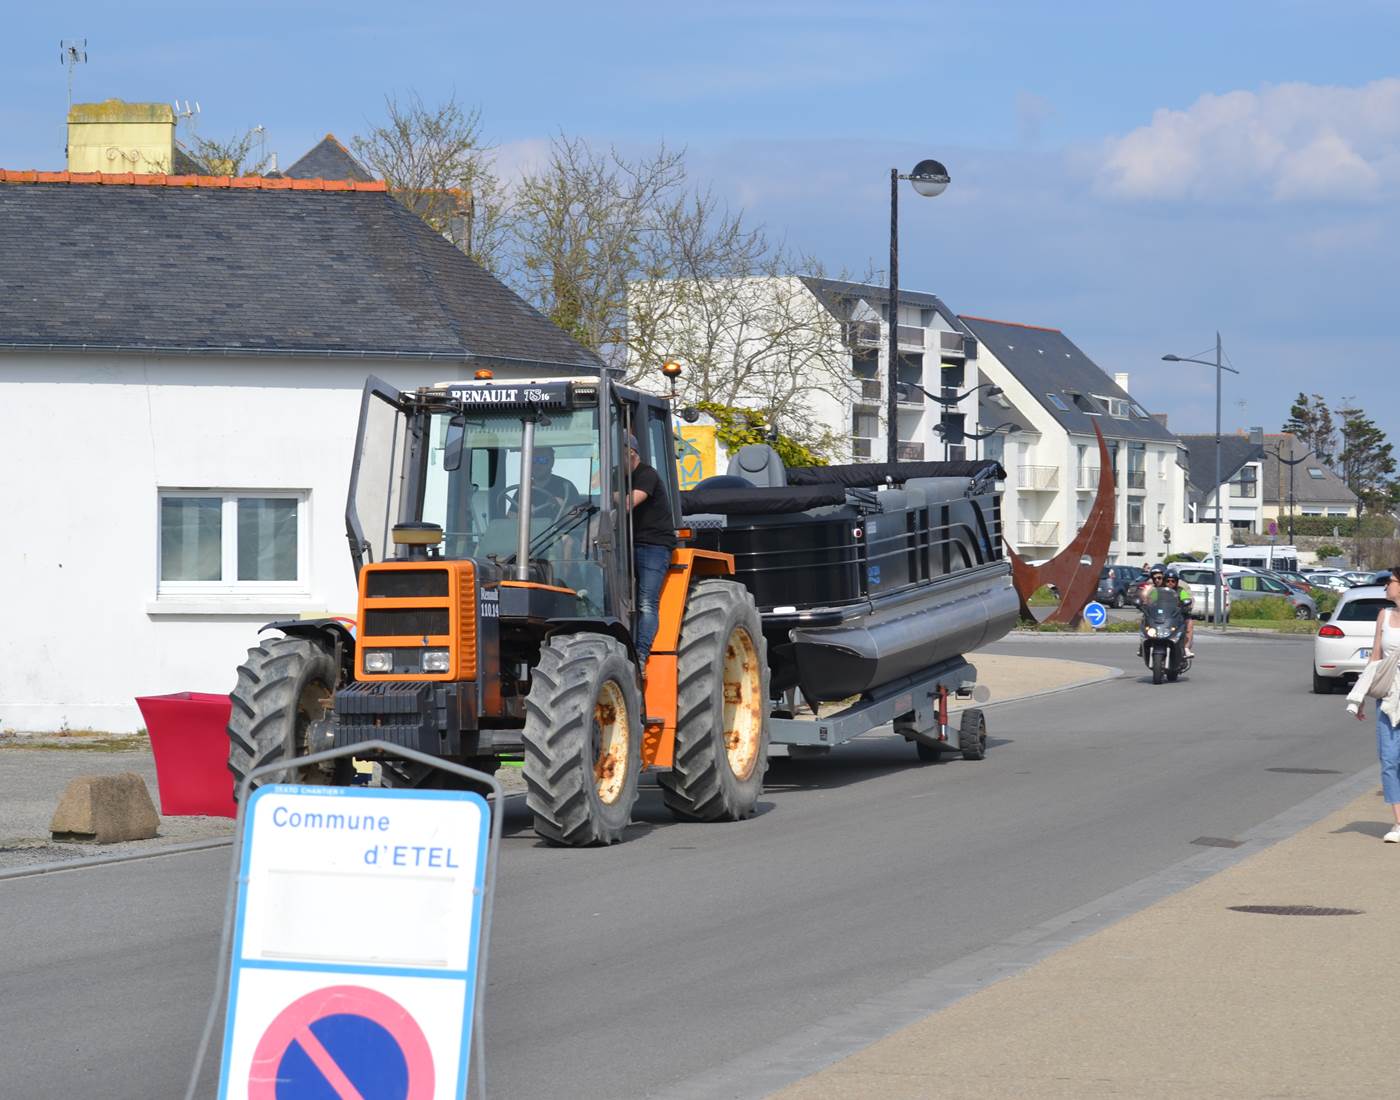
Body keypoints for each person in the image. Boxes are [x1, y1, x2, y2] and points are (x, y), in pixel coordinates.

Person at [1348, 566, 1400, 842]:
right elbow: (1375, 659)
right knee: (1389, 760)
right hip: (1389, 696)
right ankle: (1398, 823)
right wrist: (1360, 697)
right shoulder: (1384, 615)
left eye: (1390, 582)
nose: (1385, 587)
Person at [624, 432, 675, 670]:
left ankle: (641, 654)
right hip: (624, 544)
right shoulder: (615, 475)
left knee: (646, 602)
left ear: (632, 453)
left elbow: (629, 502)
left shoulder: (647, 474)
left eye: (621, 454)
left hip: (653, 545)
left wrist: (606, 495)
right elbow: (593, 487)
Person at [1165, 567, 1195, 657]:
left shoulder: (1180, 591)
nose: (1170, 583)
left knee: (1189, 623)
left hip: (1178, 616)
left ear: (1176, 582)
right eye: (1168, 581)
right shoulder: (1160, 591)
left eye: (1173, 581)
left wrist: (1186, 603)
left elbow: (1187, 599)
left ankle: (1186, 648)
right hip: (1163, 616)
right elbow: (1151, 600)